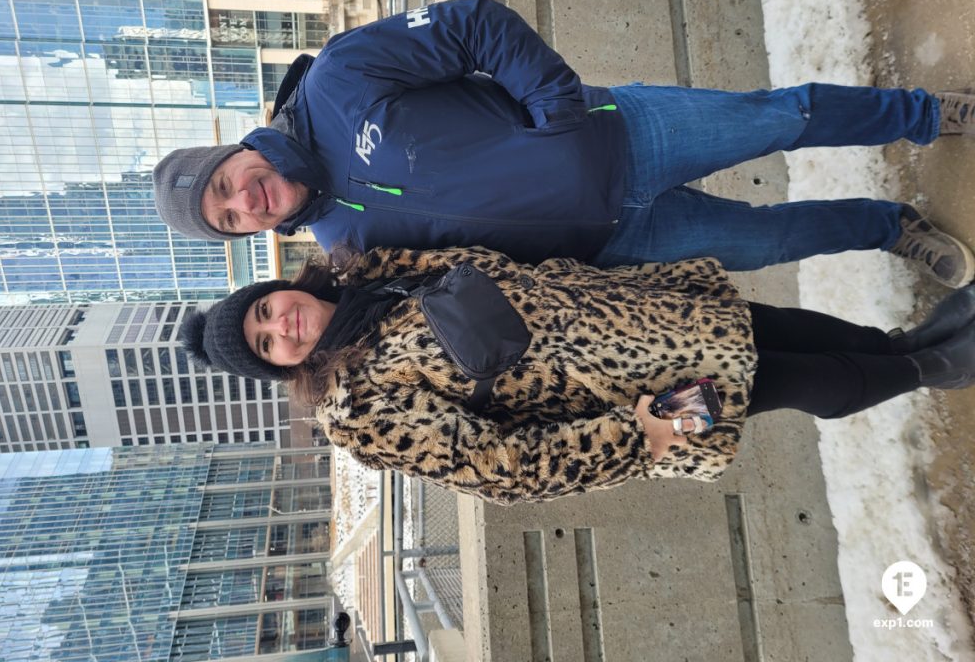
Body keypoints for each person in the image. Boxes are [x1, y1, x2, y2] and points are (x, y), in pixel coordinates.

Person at [154, 0, 975, 287]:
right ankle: (888, 228)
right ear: (248, 233)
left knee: (780, 117)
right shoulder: (343, 244)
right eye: (229, 218)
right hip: (617, 240)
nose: (243, 200)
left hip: (630, 138)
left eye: (225, 184)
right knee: (767, 244)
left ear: (232, 153)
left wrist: (557, 109)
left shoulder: (336, 80)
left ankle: (928, 116)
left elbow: (472, 25)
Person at [178, 245, 975, 505]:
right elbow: (500, 468)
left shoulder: (371, 272)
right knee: (808, 381)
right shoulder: (358, 412)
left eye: (263, 309)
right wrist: (640, 435)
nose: (279, 325)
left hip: (649, 315)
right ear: (282, 366)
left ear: (275, 289)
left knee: (809, 332)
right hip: (636, 398)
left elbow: (488, 264)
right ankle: (942, 362)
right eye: (266, 344)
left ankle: (919, 345)